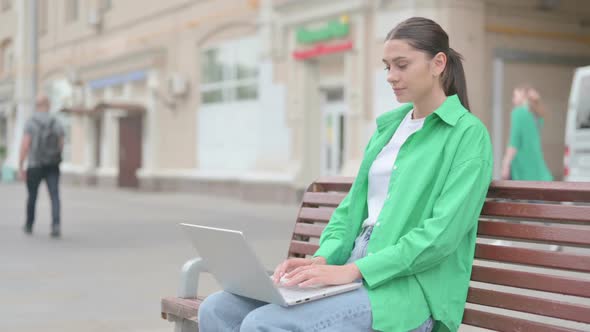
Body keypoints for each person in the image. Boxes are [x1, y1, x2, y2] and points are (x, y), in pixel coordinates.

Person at [198, 17, 493, 332]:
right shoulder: (389, 128)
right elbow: (350, 211)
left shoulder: (467, 135)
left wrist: (355, 271)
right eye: (387, 67)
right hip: (352, 269)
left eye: (402, 65)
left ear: (438, 63)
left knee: (264, 324)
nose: (391, 77)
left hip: (406, 290)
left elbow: (440, 236)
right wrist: (323, 260)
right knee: (218, 309)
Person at [19, 94, 65, 238]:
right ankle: (56, 225)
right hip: (52, 164)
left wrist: (21, 165)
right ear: (48, 105)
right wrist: (55, 155)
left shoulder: (31, 122)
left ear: (37, 105)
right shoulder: (56, 122)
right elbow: (61, 141)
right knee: (54, 196)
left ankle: (29, 224)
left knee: (32, 196)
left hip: (34, 164)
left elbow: (25, 145)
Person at [501, 86, 553, 181]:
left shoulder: (518, 113)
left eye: (515, 96)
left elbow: (514, 142)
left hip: (523, 168)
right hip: (537, 167)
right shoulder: (536, 115)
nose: (513, 100)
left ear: (523, 96)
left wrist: (505, 164)